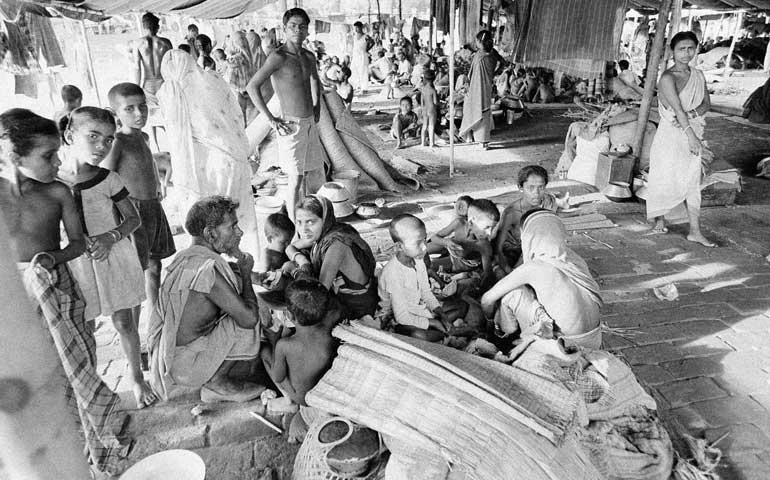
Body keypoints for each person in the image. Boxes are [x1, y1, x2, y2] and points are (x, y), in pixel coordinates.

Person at [0, 108, 129, 475]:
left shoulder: (57, 192)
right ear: (14, 156)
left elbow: (76, 244)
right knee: (41, 371)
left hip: (56, 287)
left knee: (79, 366)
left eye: (57, 153)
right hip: (18, 299)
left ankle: (94, 435)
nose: (57, 162)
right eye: (47, 156)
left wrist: (48, 260)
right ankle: (60, 439)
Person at [59, 107, 155, 409]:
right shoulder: (54, 181)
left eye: (108, 140)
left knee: (124, 321)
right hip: (76, 264)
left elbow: (132, 218)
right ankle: (94, 387)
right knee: (83, 327)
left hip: (112, 256)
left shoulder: (107, 178)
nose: (102, 146)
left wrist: (109, 236)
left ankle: (137, 379)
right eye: (93, 137)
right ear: (69, 135)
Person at [148, 196, 265, 402]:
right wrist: (247, 277)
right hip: (187, 368)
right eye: (233, 226)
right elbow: (248, 319)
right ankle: (217, 383)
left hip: (172, 359)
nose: (239, 232)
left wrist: (255, 276)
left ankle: (215, 372)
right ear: (210, 233)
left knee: (244, 302)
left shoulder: (189, 257)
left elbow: (223, 273)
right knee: (253, 312)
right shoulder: (207, 272)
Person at [157, 50, 259, 256]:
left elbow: (177, 138)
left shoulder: (169, 92)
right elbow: (234, 114)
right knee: (233, 215)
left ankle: (217, 260)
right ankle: (242, 258)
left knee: (211, 217)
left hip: (200, 164)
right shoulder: (211, 80)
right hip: (230, 158)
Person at [104, 83, 176, 326]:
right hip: (133, 212)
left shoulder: (143, 136)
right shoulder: (118, 142)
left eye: (142, 106)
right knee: (136, 272)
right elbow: (107, 177)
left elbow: (150, 162)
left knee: (154, 265)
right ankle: (133, 328)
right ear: (116, 114)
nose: (139, 114)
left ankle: (155, 320)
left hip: (151, 206)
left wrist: (158, 183)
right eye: (130, 109)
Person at [481, 209, 603, 348]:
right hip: (594, 340)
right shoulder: (575, 260)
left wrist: (491, 320)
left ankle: (505, 339)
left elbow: (487, 300)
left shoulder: (535, 267)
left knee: (513, 294)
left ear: (528, 236)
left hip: (565, 346)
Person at [246, 8, 325, 222]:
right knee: (295, 179)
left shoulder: (308, 56)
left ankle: (307, 219)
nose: (297, 30)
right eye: (293, 26)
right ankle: (295, 227)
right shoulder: (278, 57)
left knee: (309, 173)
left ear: (308, 30)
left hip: (308, 122)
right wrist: (271, 119)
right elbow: (252, 86)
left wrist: (316, 108)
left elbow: (315, 80)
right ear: (284, 29)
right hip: (290, 124)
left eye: (302, 26)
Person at [647, 31, 715, 247]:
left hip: (690, 129)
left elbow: (706, 104)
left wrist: (692, 118)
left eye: (690, 49)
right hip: (671, 135)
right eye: (681, 49)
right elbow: (677, 109)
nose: (686, 54)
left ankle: (694, 230)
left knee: (692, 179)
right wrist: (691, 136)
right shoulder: (668, 77)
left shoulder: (699, 75)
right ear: (672, 51)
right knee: (665, 176)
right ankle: (659, 217)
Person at [286, 195, 378, 319]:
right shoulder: (321, 233)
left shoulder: (337, 244)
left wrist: (295, 271)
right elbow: (289, 248)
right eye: (299, 222)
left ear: (324, 220)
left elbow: (319, 294)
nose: (303, 229)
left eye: (310, 222)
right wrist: (303, 262)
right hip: (337, 295)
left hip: (356, 307)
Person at [260, 279, 339, 406]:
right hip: (323, 393)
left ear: (289, 316)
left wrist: (275, 340)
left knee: (264, 352)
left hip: (304, 399)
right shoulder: (331, 321)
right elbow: (336, 309)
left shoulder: (284, 345)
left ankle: (288, 400)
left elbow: (278, 377)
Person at [378, 214, 451, 339]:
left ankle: (444, 332)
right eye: (418, 243)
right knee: (419, 335)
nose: (424, 247)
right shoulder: (393, 273)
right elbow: (401, 317)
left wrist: (441, 314)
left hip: (418, 306)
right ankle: (445, 333)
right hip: (396, 316)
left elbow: (425, 292)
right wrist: (433, 322)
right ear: (400, 246)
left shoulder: (417, 259)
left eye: (425, 240)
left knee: (461, 306)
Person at [496, 166, 566, 273]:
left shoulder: (547, 201)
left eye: (541, 187)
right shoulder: (511, 213)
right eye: (531, 188)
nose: (536, 193)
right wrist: (511, 272)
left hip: (536, 249)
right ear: (520, 187)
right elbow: (498, 249)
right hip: (512, 253)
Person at [433, 198, 498, 289]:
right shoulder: (458, 223)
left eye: (492, 228)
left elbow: (487, 274)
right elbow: (434, 238)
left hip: (460, 266)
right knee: (425, 249)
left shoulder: (484, 244)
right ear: (471, 222)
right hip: (451, 251)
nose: (489, 233)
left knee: (430, 266)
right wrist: (446, 242)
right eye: (487, 227)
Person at [130, 13, 172, 152]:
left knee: (151, 116)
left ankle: (156, 145)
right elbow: (171, 66)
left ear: (144, 26)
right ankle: (172, 143)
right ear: (157, 26)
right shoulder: (165, 43)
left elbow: (137, 67)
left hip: (148, 84)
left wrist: (136, 88)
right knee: (167, 116)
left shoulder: (138, 43)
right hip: (163, 83)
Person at [459, 30, 499, 150]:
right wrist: (494, 73)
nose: (475, 43)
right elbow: (502, 63)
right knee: (485, 110)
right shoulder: (493, 53)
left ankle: (476, 139)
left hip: (477, 87)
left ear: (480, 42)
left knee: (474, 108)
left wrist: (468, 85)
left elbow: (472, 75)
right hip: (487, 86)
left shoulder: (479, 56)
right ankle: (483, 141)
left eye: (476, 41)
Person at [420, 69, 438, 147]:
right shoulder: (433, 90)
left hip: (424, 109)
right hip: (432, 109)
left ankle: (422, 142)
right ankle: (432, 143)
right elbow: (435, 102)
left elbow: (421, 102)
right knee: (431, 126)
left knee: (424, 126)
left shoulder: (423, 89)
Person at [350, 21, 370, 91]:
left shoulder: (365, 36)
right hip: (355, 56)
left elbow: (372, 42)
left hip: (362, 56)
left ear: (361, 27)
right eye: (355, 28)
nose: (356, 30)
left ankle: (364, 88)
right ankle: (356, 86)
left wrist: (367, 49)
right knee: (353, 70)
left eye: (357, 28)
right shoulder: (354, 36)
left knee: (363, 71)